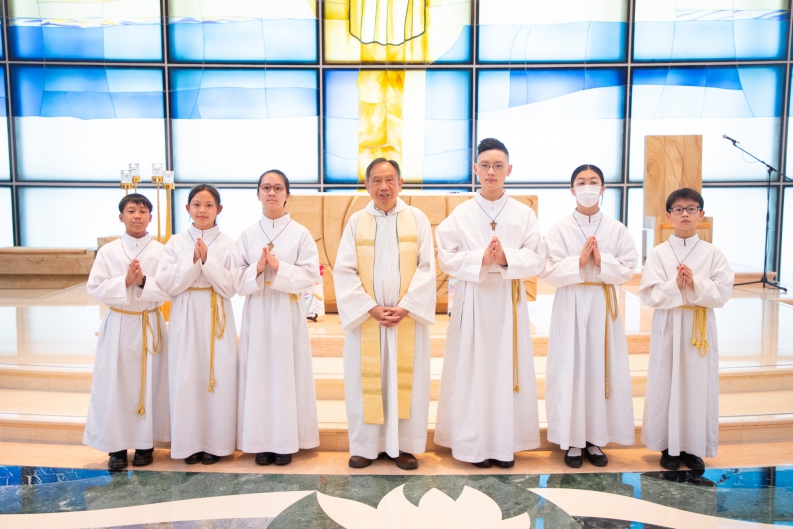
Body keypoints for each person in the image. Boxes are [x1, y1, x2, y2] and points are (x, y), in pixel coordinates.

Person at [434, 138, 545, 468]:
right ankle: (475, 446)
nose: (491, 172)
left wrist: (507, 257)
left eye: (498, 166)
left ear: (509, 170)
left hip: (509, 301)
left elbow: (538, 257)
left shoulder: (523, 213)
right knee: (474, 370)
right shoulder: (462, 213)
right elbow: (445, 256)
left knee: (506, 369)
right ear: (475, 169)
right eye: (485, 165)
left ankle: (504, 444)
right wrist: (480, 259)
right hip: (474, 298)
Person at [334, 158, 436, 470]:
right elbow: (344, 271)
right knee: (365, 384)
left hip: (406, 319)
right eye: (376, 180)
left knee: (405, 383)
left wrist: (406, 307)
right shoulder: (356, 222)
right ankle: (367, 446)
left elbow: (427, 267)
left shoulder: (417, 219)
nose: (384, 186)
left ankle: (403, 447)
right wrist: (371, 307)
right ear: (366, 185)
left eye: (390, 179)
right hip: (368, 319)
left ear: (400, 183)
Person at [540, 164, 638, 468]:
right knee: (570, 367)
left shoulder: (616, 229)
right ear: (572, 190)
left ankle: (595, 438)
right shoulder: (559, 229)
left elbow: (629, 266)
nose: (587, 187)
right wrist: (579, 262)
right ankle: (571, 440)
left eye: (593, 181)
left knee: (600, 368)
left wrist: (602, 261)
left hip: (602, 304)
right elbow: (546, 269)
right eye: (581, 182)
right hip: (571, 302)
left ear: (603, 188)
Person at [640, 188, 734, 471]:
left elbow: (723, 292)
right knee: (666, 381)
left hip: (698, 326)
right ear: (668, 215)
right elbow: (649, 293)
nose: (685, 214)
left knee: (696, 384)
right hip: (669, 324)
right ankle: (667, 446)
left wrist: (695, 283)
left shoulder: (713, 253)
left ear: (701, 215)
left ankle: (693, 447)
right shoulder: (658, 253)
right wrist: (675, 285)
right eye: (678, 209)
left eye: (691, 209)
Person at [233, 170, 321, 466]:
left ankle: (285, 441)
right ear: (258, 193)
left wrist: (279, 266)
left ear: (287, 194)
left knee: (285, 372)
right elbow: (235, 279)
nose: (271, 193)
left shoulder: (300, 233)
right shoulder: (247, 235)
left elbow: (310, 276)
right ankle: (260, 441)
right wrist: (258, 269)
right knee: (258, 372)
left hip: (287, 310)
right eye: (266, 187)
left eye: (278, 188)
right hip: (258, 310)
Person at [84, 193, 171, 470]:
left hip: (149, 322)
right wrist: (124, 281)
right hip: (119, 324)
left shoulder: (161, 252)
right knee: (115, 385)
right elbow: (95, 287)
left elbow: (170, 288)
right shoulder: (109, 252)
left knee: (150, 383)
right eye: (131, 211)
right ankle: (117, 447)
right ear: (121, 217)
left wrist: (143, 281)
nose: (137, 216)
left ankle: (146, 444)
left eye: (142, 211)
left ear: (151, 217)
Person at [152, 185, 237, 465]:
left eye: (209, 205)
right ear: (187, 208)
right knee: (186, 376)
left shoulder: (228, 244)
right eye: (197, 204)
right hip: (185, 312)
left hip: (216, 311)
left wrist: (207, 261)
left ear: (219, 210)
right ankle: (188, 444)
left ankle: (216, 444)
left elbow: (231, 286)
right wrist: (192, 262)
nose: (202, 210)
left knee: (218, 376)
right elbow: (166, 284)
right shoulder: (175, 243)